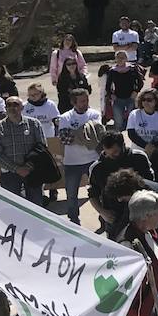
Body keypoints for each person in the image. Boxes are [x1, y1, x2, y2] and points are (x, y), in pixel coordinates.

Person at [0, 97, 46, 205]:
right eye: (9, 105)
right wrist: (17, 169)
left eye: (15, 105)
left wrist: (28, 167)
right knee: (12, 206)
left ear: (22, 107)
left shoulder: (34, 124)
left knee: (36, 205)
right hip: (10, 174)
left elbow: (42, 147)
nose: (12, 108)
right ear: (5, 108)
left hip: (33, 172)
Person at [58, 88, 102, 224]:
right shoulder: (65, 117)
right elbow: (64, 139)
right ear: (74, 102)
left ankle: (103, 219)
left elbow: (96, 135)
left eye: (87, 100)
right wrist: (84, 135)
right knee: (71, 194)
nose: (85, 103)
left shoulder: (94, 114)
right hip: (72, 162)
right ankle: (73, 220)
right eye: (82, 101)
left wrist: (75, 134)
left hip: (92, 160)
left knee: (99, 191)